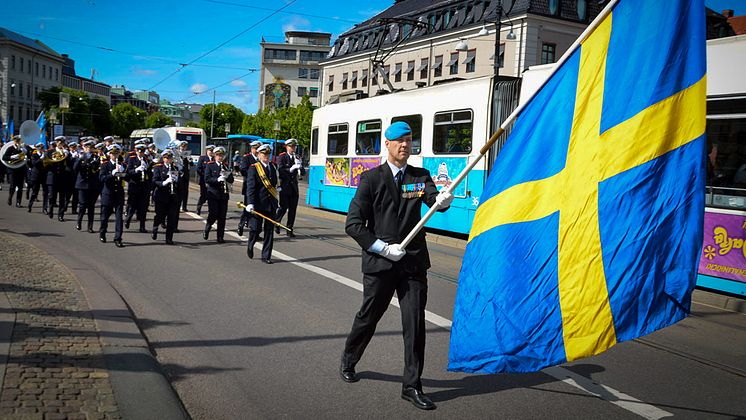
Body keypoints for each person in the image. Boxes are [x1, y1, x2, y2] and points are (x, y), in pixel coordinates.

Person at [339, 121, 454, 411]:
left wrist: (442, 200)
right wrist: (381, 247)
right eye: (399, 141)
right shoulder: (371, 179)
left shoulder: (420, 176)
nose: (405, 145)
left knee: (414, 324)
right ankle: (350, 358)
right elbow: (353, 225)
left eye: (409, 140)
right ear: (386, 145)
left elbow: (433, 200)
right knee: (369, 316)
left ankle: (412, 386)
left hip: (412, 263)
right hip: (381, 263)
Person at [244, 144, 279, 263]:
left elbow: (274, 184)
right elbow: (251, 187)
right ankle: (251, 243)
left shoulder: (273, 167)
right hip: (258, 204)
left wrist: (278, 190)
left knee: (269, 230)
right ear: (259, 155)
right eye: (264, 154)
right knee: (255, 228)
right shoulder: (254, 168)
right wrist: (250, 203)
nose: (266, 157)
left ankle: (266, 256)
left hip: (271, 203)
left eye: (268, 154)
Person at [203, 146, 234, 243]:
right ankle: (208, 227)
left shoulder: (226, 166)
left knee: (222, 216)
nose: (220, 157)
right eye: (218, 155)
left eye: (221, 155)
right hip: (213, 194)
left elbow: (231, 180)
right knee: (213, 214)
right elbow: (207, 178)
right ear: (215, 156)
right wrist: (217, 179)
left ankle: (220, 237)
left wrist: (227, 176)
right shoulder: (210, 165)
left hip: (223, 195)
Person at [98, 144, 126, 248]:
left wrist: (123, 172)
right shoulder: (105, 165)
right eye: (113, 153)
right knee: (105, 216)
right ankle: (102, 232)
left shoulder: (122, 164)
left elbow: (127, 178)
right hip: (108, 194)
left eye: (117, 153)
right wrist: (112, 174)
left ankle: (118, 238)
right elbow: (101, 178)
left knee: (119, 218)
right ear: (109, 154)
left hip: (118, 194)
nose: (115, 155)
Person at [151, 149, 181, 245]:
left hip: (172, 197)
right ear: (163, 158)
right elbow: (154, 181)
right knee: (159, 215)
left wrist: (177, 180)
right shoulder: (158, 168)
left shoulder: (175, 168)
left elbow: (181, 184)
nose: (168, 160)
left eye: (170, 158)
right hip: (161, 196)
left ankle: (169, 238)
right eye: (166, 158)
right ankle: (155, 228)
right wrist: (164, 182)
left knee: (171, 218)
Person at [275, 138, 304, 237]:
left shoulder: (297, 157)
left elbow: (303, 173)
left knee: (292, 210)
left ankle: (289, 229)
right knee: (283, 208)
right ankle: (277, 223)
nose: (293, 148)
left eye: (294, 146)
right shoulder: (282, 157)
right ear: (286, 147)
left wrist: (300, 166)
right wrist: (291, 169)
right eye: (291, 146)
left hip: (294, 188)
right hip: (285, 187)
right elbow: (280, 171)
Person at [73, 139, 100, 232]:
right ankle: (79, 222)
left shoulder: (96, 157)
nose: (88, 149)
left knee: (91, 206)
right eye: (86, 147)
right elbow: (75, 169)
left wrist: (95, 161)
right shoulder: (80, 157)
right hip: (82, 184)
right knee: (82, 205)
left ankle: (90, 226)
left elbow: (98, 169)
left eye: (90, 147)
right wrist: (80, 159)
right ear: (83, 148)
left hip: (92, 185)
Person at [124, 142, 151, 233]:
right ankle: (128, 219)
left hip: (144, 186)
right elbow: (128, 172)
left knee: (143, 207)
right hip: (134, 185)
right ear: (136, 151)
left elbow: (150, 174)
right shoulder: (132, 159)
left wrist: (149, 168)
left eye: (143, 152)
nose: (141, 153)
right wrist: (136, 170)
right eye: (140, 152)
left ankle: (142, 226)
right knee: (132, 205)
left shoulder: (146, 159)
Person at [238, 140, 261, 236]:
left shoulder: (261, 159)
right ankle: (241, 224)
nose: (257, 151)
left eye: (258, 149)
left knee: (258, 210)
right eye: (255, 148)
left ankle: (256, 232)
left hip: (259, 189)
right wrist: (253, 175)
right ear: (252, 149)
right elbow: (243, 170)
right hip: (249, 187)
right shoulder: (247, 158)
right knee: (247, 208)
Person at [45, 136, 70, 221]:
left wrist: (67, 155)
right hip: (52, 177)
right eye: (58, 142)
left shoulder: (66, 152)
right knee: (52, 196)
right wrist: (54, 159)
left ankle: (61, 214)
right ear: (56, 143)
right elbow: (46, 164)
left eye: (61, 142)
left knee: (62, 198)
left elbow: (70, 165)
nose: (60, 144)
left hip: (62, 177)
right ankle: (51, 210)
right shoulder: (50, 152)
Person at [2, 135, 28, 207]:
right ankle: (10, 197)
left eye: (19, 140)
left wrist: (25, 153)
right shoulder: (10, 148)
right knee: (13, 185)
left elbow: (27, 157)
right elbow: (4, 157)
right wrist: (11, 157)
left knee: (20, 187)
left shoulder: (22, 149)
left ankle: (18, 202)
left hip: (20, 169)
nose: (18, 142)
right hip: (12, 169)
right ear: (14, 141)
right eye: (16, 141)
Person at [195, 144, 215, 215]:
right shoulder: (203, 158)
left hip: (212, 181)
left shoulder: (215, 159)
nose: (210, 152)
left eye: (212, 151)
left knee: (211, 196)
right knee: (203, 195)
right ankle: (198, 208)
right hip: (203, 180)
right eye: (209, 150)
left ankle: (211, 211)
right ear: (207, 151)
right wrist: (204, 177)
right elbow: (198, 169)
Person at [26, 142, 46, 212]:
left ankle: (45, 208)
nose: (41, 149)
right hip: (36, 175)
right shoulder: (34, 155)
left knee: (45, 192)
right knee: (35, 192)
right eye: (40, 147)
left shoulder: (45, 154)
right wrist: (41, 158)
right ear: (37, 148)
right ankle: (30, 206)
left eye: (42, 147)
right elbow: (34, 163)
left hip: (44, 175)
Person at [178, 141, 192, 212]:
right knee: (179, 190)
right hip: (179, 174)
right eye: (182, 146)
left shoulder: (187, 154)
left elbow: (192, 164)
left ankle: (184, 206)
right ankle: (178, 204)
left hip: (186, 174)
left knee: (185, 191)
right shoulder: (177, 153)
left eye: (185, 146)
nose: (183, 148)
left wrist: (189, 159)